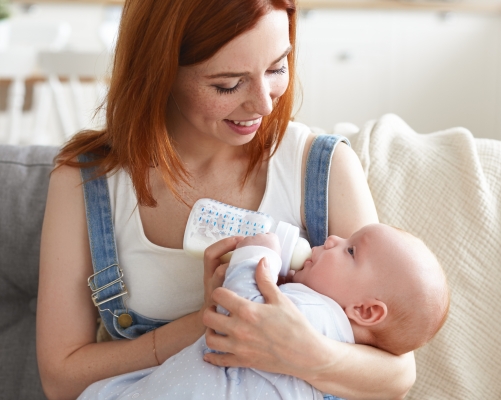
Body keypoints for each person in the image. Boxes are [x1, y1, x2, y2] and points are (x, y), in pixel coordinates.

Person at [36, 1, 416, 399]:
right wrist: (214, 322)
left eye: (276, 68)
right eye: (228, 84)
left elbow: (396, 374)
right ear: (159, 72)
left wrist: (302, 350)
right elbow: (61, 380)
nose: (264, 104)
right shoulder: (86, 181)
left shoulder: (323, 168)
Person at [78, 224, 450, 399]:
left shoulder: (317, 313)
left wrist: (258, 255)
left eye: (351, 251)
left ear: (366, 311)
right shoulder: (344, 370)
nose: (334, 238)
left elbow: (240, 313)